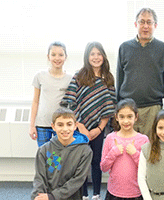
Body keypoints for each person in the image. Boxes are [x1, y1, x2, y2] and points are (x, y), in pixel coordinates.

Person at [61, 42, 116, 200]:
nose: (96, 57)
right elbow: (70, 103)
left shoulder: (108, 78)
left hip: (98, 129)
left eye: (99, 54)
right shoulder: (79, 76)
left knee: (96, 160)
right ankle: (84, 194)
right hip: (79, 128)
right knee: (81, 161)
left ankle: (97, 194)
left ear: (103, 56)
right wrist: (81, 127)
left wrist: (99, 129)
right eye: (92, 54)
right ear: (87, 57)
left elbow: (110, 106)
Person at [116, 7, 164, 136]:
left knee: (150, 149)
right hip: (128, 108)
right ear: (136, 24)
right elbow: (119, 79)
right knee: (127, 148)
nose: (145, 26)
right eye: (142, 22)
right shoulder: (124, 48)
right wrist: (118, 108)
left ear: (155, 25)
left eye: (149, 22)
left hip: (153, 108)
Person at [31, 107, 93, 200]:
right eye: (60, 125)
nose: (65, 129)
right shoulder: (44, 150)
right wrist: (37, 195)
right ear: (53, 127)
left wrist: (53, 196)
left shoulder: (85, 151)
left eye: (69, 124)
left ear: (75, 126)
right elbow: (40, 178)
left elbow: (77, 180)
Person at [100, 98, 149, 200]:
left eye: (129, 116)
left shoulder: (143, 140)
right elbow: (103, 168)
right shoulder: (110, 138)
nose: (126, 121)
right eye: (122, 117)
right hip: (114, 192)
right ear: (116, 117)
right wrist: (113, 152)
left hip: (136, 193)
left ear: (136, 117)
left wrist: (135, 153)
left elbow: (147, 169)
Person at [29, 41, 72, 147]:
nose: (57, 58)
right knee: (46, 157)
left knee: (60, 157)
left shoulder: (71, 79)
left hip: (62, 126)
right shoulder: (40, 76)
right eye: (53, 55)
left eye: (60, 55)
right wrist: (32, 125)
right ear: (48, 57)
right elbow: (35, 101)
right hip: (43, 125)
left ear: (65, 57)